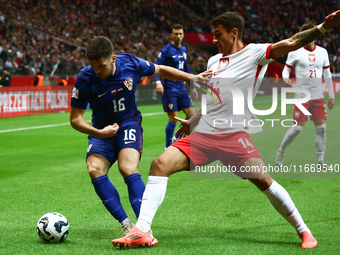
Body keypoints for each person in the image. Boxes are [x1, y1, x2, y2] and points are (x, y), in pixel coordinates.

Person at [112, 10, 340, 249]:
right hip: (204, 135)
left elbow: (293, 41)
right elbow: (213, 98)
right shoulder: (213, 62)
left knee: (264, 180)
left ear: (234, 33)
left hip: (233, 135)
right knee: (160, 164)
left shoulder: (255, 53)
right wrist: (194, 121)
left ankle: (305, 231)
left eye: (217, 34)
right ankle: (143, 230)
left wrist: (323, 28)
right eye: (212, 35)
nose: (213, 40)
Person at [70, 36, 208, 241]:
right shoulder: (85, 78)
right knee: (94, 169)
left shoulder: (130, 63)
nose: (97, 71)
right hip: (101, 129)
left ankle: (144, 227)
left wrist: (190, 77)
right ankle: (127, 225)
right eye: (93, 66)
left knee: (127, 168)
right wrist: (99, 132)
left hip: (129, 123)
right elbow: (75, 119)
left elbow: (160, 70)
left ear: (113, 58)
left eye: (101, 65)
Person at [275, 21, 335, 167]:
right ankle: (281, 151)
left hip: (318, 96)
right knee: (297, 128)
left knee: (322, 128)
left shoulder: (322, 52)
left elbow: (327, 74)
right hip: (301, 96)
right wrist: (285, 78)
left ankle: (320, 161)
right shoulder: (295, 52)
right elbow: (286, 69)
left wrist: (331, 95)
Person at [154, 24, 198, 149]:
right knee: (174, 118)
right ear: (171, 35)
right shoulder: (166, 50)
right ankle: (168, 146)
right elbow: (156, 66)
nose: (178, 36)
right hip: (169, 89)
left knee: (192, 115)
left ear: (183, 35)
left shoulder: (184, 50)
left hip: (182, 88)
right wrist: (158, 82)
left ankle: (176, 137)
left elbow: (186, 69)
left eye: (180, 34)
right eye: (176, 34)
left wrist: (192, 86)